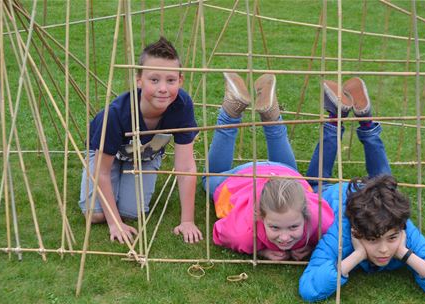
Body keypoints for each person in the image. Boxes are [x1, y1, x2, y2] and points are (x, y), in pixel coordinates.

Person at [299, 78, 425, 301]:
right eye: (373, 240)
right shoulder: (343, 231)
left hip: (371, 193)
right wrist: (357, 254)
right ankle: (338, 120)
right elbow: (310, 289)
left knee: (386, 183)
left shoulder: (401, 228)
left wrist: (405, 253)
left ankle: (362, 121)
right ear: (356, 233)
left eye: (391, 238)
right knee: (317, 184)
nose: (385, 250)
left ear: (400, 230)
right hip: (333, 195)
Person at [79, 37, 203, 244]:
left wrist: (187, 221)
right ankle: (100, 172)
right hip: (106, 156)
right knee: (96, 215)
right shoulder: (116, 115)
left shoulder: (182, 105)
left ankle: (129, 176)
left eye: (170, 80)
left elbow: (186, 167)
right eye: (154, 80)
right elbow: (102, 171)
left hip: (145, 154)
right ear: (139, 80)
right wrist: (115, 224)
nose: (163, 88)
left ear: (180, 81)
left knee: (133, 212)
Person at [202, 72, 335, 261]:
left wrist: (312, 244)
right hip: (241, 178)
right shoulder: (242, 233)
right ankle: (236, 115)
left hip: (288, 174)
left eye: (293, 227)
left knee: (290, 173)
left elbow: (332, 227)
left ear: (307, 215)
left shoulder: (321, 221)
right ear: (259, 216)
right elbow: (220, 233)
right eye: (274, 227)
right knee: (209, 178)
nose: (284, 237)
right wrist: (260, 250)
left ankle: (238, 112)